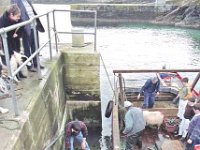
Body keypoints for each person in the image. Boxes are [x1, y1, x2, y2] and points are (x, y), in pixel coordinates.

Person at [11, 0, 45, 71]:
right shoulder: (16, 1)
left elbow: (32, 11)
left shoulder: (27, 1)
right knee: (27, 47)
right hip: (26, 27)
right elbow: (13, 12)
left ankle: (36, 62)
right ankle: (29, 65)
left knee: (35, 45)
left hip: (34, 26)